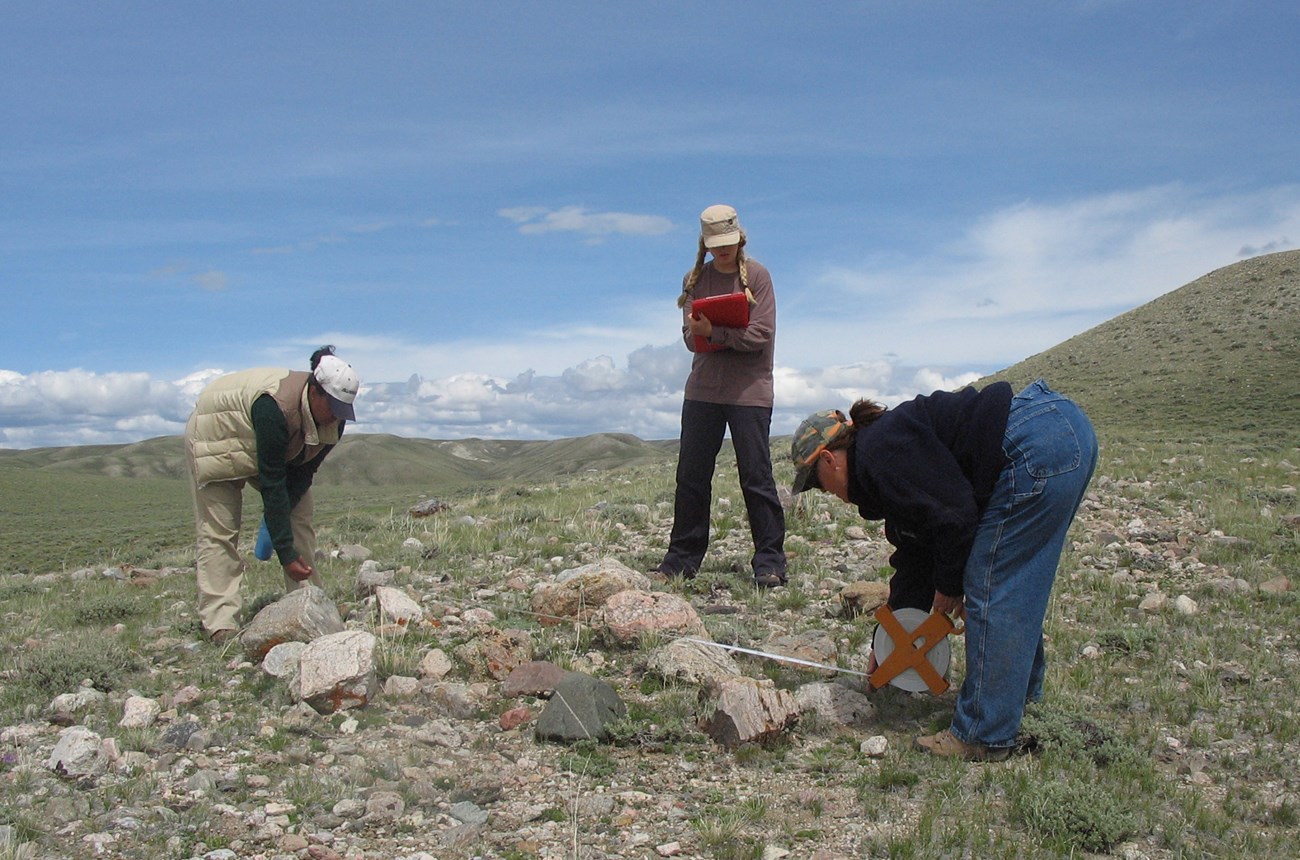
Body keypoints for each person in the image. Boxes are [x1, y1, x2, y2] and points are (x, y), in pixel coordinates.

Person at [790, 379, 1097, 760]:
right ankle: (1023, 707)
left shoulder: (882, 456)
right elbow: (917, 550)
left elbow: (954, 517)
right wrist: (890, 640)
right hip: (1060, 432)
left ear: (828, 460)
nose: (828, 494)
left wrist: (952, 586)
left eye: (819, 485)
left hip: (1034, 445)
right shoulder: (883, 459)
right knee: (1013, 585)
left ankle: (983, 734)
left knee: (991, 588)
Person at [183, 345, 359, 643]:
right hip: (217, 431)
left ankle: (308, 603)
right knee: (220, 530)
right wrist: (284, 552)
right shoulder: (273, 408)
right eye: (331, 407)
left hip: (262, 440)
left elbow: (303, 473)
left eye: (342, 411)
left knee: (299, 516)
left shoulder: (334, 420)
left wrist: (283, 536)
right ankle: (220, 622)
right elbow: (273, 481)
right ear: (314, 392)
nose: (335, 417)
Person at [657, 204, 787, 588]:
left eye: (728, 243)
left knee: (756, 477)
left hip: (750, 392)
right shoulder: (694, 279)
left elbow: (761, 334)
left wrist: (715, 333)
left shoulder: (758, 276)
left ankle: (770, 563)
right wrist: (708, 334)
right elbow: (689, 339)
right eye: (716, 245)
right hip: (703, 391)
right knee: (692, 476)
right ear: (706, 245)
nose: (723, 251)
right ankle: (681, 560)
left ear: (739, 238)